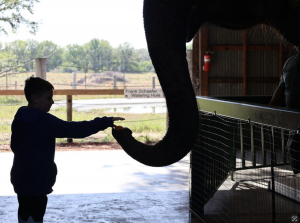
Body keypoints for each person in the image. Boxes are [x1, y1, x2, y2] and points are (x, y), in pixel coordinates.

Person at [10, 77, 125, 223]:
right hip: (36, 181)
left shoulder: (20, 116)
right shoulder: (43, 121)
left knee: (25, 213)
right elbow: (74, 129)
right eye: (49, 98)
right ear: (35, 99)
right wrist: (104, 122)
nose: (52, 101)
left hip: (21, 179)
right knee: (35, 214)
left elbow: (14, 146)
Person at [269, 52, 300, 174]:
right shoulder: (290, 63)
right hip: (294, 125)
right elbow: (282, 88)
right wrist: (267, 110)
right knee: (296, 156)